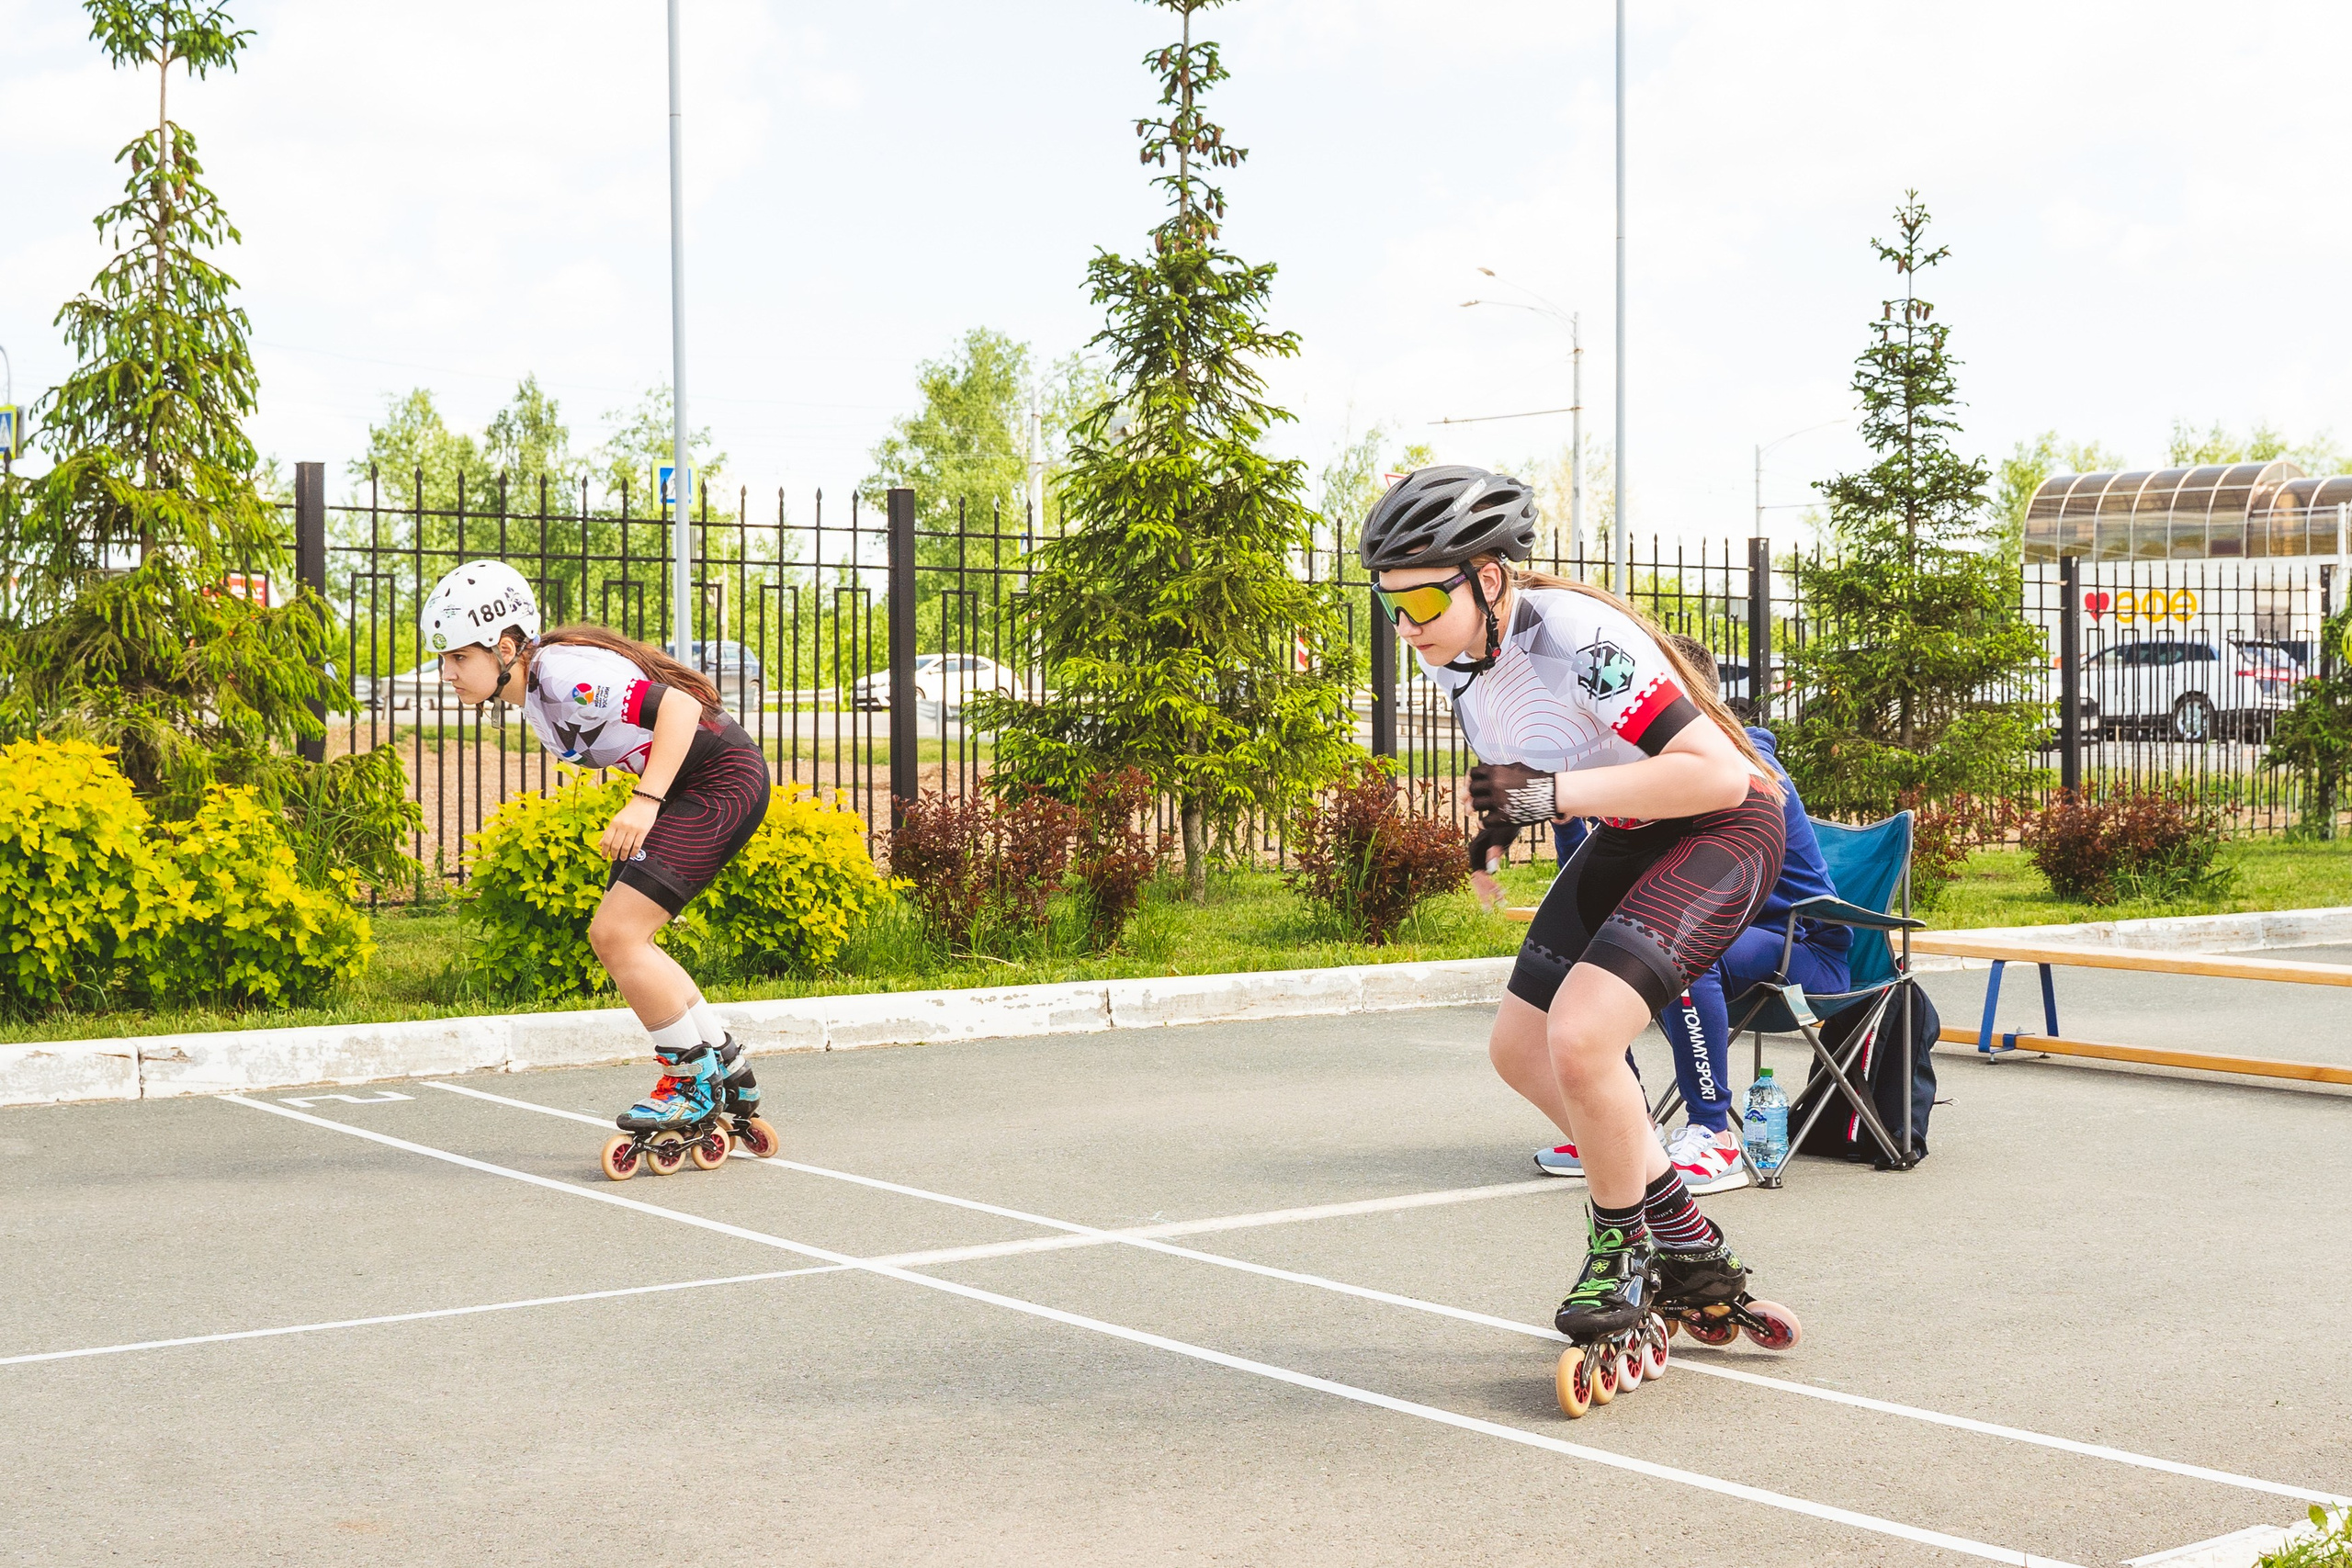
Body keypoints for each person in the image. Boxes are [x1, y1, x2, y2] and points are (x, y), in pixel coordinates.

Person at [1361, 466, 1788, 1369]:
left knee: (1583, 1037)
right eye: (1391, 605)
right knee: (1519, 1049)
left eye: (1424, 601)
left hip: (1721, 826)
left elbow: (1714, 774)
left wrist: (1550, 793)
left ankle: (1623, 1248)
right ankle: (1679, 1226)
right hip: (1634, 832)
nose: (1409, 629)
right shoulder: (1465, 658)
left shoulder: (1580, 640)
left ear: (1486, 577)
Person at [422, 560, 776, 1173]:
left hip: (719, 781)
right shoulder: (532, 688)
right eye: (444, 659)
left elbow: (682, 711)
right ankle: (725, 1065)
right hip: (693, 784)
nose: (448, 672)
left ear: (505, 646)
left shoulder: (562, 675)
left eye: (458, 657)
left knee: (616, 934)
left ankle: (691, 1081)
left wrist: (644, 801)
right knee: (623, 935)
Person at [1532, 635, 1849, 1193]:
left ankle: (1714, 1135)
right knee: (1596, 954)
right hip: (1730, 939)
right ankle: (1622, 1122)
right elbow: (1591, 876)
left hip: (1801, 949)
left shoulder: (1743, 767)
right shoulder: (1648, 771)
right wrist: (1566, 815)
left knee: (1684, 953)